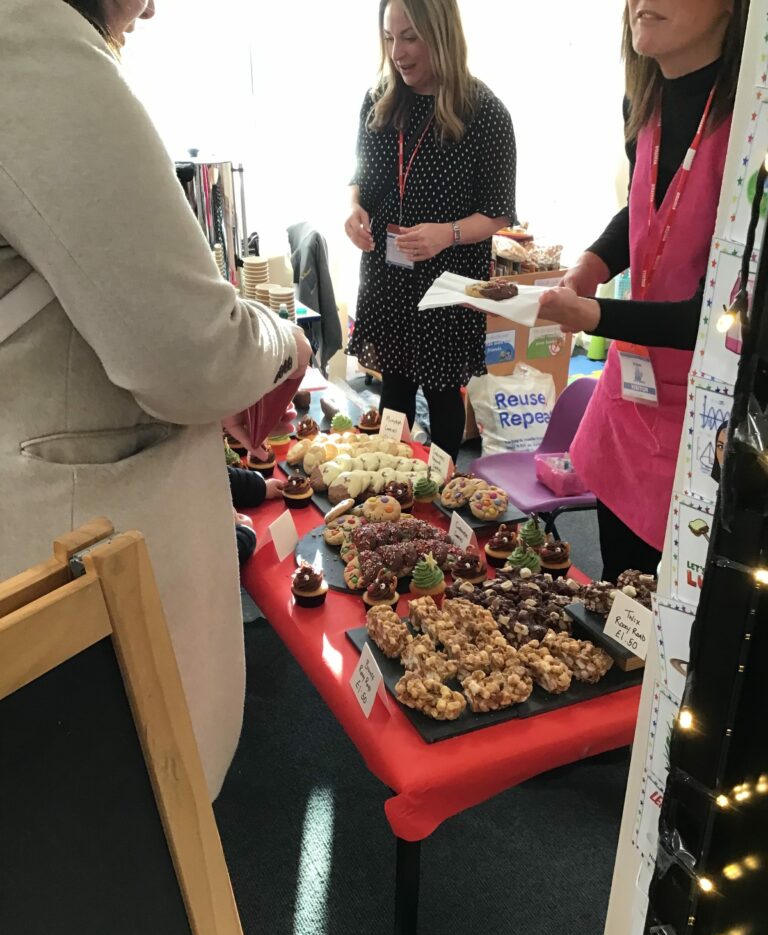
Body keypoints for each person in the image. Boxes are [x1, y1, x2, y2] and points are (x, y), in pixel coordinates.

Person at [0, 0, 312, 798]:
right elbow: (193, 355)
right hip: (74, 571)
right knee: (121, 829)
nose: (150, 7)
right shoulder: (28, 38)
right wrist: (285, 345)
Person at [539, 0, 749, 582]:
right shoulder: (644, 100)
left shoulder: (751, 130)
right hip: (631, 401)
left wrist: (593, 314)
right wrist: (594, 262)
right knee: (618, 595)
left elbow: (720, 317)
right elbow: (646, 205)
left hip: (706, 419)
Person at [346, 0, 516, 461]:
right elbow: (361, 177)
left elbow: (499, 213)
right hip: (388, 274)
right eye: (389, 38)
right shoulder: (380, 100)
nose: (397, 52)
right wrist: (354, 210)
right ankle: (389, 483)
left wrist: (447, 234)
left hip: (448, 282)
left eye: (410, 37)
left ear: (440, 34)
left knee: (443, 395)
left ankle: (439, 491)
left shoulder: (484, 113)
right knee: (394, 389)